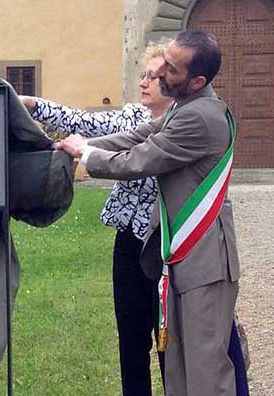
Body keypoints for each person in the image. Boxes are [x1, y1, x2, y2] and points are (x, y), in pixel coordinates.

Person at [57, 30, 240, 396]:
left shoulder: (199, 117)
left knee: (204, 370)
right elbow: (138, 136)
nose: (158, 74)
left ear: (196, 80)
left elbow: (139, 159)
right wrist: (81, 144)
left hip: (203, 261)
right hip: (187, 257)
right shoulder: (187, 105)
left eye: (170, 68)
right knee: (180, 366)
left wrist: (86, 155)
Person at [20, 41, 171, 396]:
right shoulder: (132, 117)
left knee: (170, 340)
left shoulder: (186, 122)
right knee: (131, 337)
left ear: (175, 81)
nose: (143, 82)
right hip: (130, 242)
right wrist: (31, 104)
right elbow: (81, 121)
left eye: (153, 77)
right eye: (143, 74)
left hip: (169, 243)